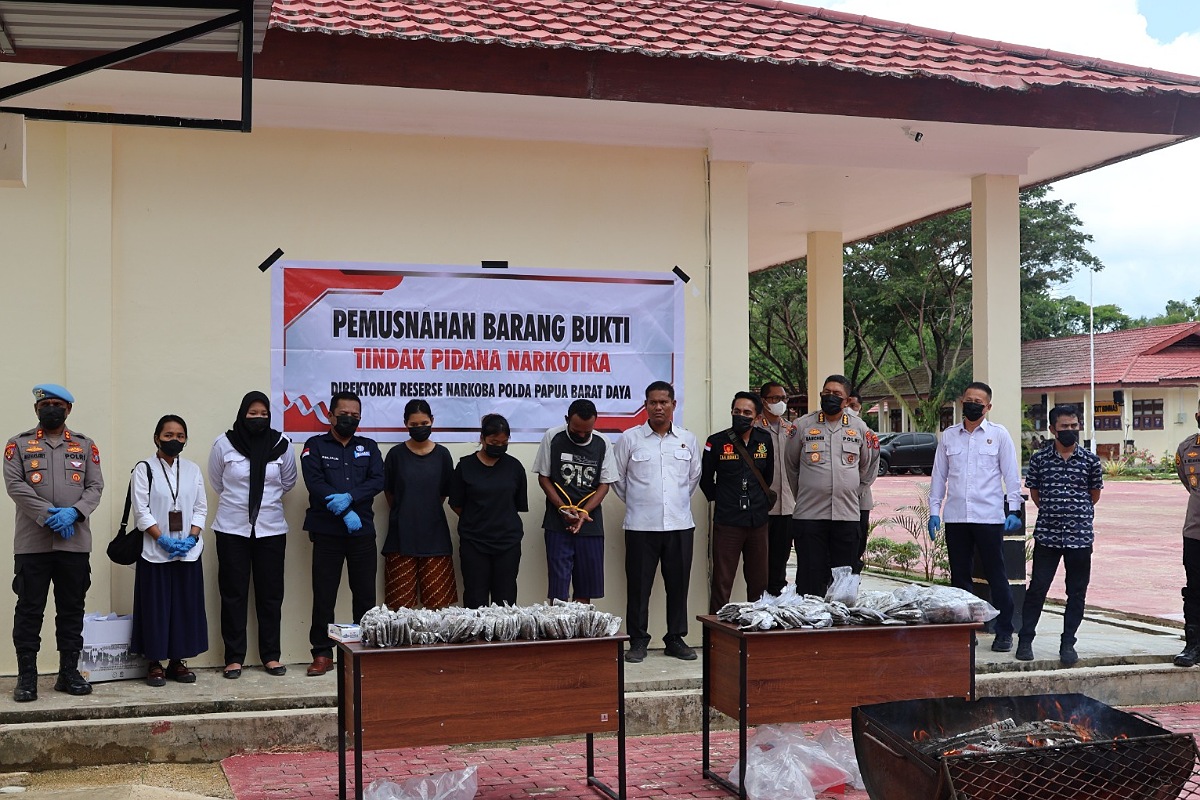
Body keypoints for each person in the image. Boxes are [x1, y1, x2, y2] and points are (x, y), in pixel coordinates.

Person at [4, 384, 104, 702]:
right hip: (32, 543)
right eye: (45, 405)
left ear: (68, 409)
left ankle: (68, 673)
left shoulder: (85, 445)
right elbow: (15, 484)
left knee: (71, 610)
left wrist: (74, 513)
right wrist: (48, 514)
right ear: (36, 409)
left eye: (57, 405)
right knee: (29, 610)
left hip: (74, 544)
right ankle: (27, 678)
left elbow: (95, 486)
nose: (51, 409)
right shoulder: (18, 444)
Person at [928, 381, 1023, 652]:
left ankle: (1004, 631)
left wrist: (1014, 509)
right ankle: (965, 631)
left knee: (996, 575)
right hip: (956, 518)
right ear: (962, 401)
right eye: (968, 400)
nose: (972, 405)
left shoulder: (999, 435)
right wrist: (934, 512)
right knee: (960, 578)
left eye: (978, 402)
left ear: (987, 407)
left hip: (988, 517)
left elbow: (1011, 475)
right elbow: (939, 477)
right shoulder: (949, 436)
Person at [208, 391, 297, 679]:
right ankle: (234, 658)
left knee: (270, 595)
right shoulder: (224, 444)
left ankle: (271, 656)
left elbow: (288, 482)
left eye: (263, 414)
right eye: (252, 413)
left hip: (271, 529)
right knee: (233, 594)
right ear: (242, 413)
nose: (258, 418)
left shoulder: (282, 445)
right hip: (232, 529)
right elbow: (217, 482)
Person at [612, 381, 702, 663]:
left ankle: (675, 638)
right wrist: (641, 502)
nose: (658, 407)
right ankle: (638, 640)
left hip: (679, 524)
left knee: (678, 585)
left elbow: (693, 479)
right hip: (641, 526)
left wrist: (672, 503)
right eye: (653, 402)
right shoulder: (630, 439)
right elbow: (618, 479)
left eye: (664, 402)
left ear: (674, 405)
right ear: (646, 405)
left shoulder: (688, 439)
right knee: (639, 587)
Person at [301, 391, 384, 677]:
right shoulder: (314, 445)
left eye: (354, 416)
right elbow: (315, 482)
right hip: (327, 533)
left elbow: (378, 479)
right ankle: (322, 653)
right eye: (343, 414)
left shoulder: (368, 446)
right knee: (324, 595)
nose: (349, 419)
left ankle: (365, 650)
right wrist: (342, 509)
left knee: (365, 595)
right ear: (330, 416)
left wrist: (350, 498)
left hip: (361, 531)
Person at [1015, 406, 1102, 665]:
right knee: (1037, 589)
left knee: (1076, 592)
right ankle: (1025, 640)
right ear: (1052, 429)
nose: (1070, 431)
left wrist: (1074, 512)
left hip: (1080, 537)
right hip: (1048, 536)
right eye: (1064, 427)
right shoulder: (1040, 460)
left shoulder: (1090, 461)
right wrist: (1054, 510)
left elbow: (1094, 495)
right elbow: (1035, 493)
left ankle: (1068, 644)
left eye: (1074, 426)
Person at [130, 415, 208, 687]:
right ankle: (154, 662)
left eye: (180, 436)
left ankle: (178, 661)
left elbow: (201, 508)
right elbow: (141, 511)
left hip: (188, 551)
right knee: (156, 608)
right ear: (156, 438)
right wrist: (162, 539)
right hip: (155, 551)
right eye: (168, 435)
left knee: (185, 607)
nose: (174, 440)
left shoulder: (192, 470)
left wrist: (192, 537)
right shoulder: (144, 469)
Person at [784, 375, 879, 598]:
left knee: (843, 579)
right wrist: (808, 491)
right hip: (810, 514)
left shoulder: (859, 428)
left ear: (847, 400)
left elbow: (869, 465)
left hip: (846, 514)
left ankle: (840, 620)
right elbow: (791, 466)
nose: (830, 397)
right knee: (810, 576)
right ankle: (811, 617)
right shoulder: (803, 425)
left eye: (837, 394)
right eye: (827, 392)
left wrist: (852, 490)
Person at [533, 399, 617, 603]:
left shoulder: (603, 442)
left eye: (587, 432)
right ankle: (558, 625)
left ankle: (582, 625)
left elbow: (605, 484)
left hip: (589, 523)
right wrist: (561, 507)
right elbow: (544, 477)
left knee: (585, 590)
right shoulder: (553, 436)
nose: (581, 436)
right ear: (567, 419)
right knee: (558, 592)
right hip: (558, 522)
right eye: (576, 431)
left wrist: (584, 512)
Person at [701, 392, 773, 612]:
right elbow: (705, 480)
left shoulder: (764, 440)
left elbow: (768, 477)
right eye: (737, 411)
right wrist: (725, 499)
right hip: (728, 522)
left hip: (757, 521)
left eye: (747, 413)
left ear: (757, 417)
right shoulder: (716, 441)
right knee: (722, 583)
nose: (741, 416)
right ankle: (715, 631)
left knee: (759, 583)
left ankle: (757, 625)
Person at [382, 399, 457, 610]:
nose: (419, 428)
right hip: (401, 538)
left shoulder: (443, 455)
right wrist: (406, 510)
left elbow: (444, 493)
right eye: (414, 424)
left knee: (438, 607)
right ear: (405, 424)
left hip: (435, 538)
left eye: (424, 423)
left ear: (432, 420)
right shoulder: (395, 455)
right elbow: (389, 492)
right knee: (400, 609)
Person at [449, 414, 528, 607]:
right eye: (494, 442)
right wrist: (477, 519)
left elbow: (516, 504)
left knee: (506, 599)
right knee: (475, 598)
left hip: (507, 542)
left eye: (504, 442)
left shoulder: (515, 467)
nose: (499, 446)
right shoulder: (465, 466)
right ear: (482, 438)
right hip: (474, 542)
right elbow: (456, 503)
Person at [758, 382, 797, 596]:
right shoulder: (755, 427)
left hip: (787, 506)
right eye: (775, 398)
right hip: (763, 507)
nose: (780, 402)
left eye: (783, 398)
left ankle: (777, 599)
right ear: (764, 401)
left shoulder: (791, 429)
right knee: (759, 560)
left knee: (781, 559)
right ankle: (760, 600)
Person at [1174, 400, 1200, 667]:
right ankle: (1193, 645)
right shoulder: (1186, 449)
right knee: (1194, 590)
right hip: (1195, 533)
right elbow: (1189, 483)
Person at [846, 389, 875, 574]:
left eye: (853, 406)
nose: (849, 409)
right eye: (847, 405)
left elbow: (872, 468)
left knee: (858, 540)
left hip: (860, 498)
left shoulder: (867, 433)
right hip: (837, 500)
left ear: (860, 408)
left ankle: (853, 577)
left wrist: (854, 490)